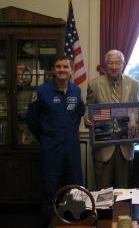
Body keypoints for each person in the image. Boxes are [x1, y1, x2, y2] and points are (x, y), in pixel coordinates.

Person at [26, 55, 85, 228]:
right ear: (53, 69)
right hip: (51, 146)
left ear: (71, 70)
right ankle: (48, 222)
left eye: (65, 67)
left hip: (71, 145)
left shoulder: (76, 90)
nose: (61, 70)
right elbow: (31, 120)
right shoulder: (42, 91)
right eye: (58, 66)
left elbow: (79, 112)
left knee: (74, 183)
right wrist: (45, 137)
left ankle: (76, 219)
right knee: (50, 185)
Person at [86, 49, 139, 189]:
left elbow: (136, 110)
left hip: (125, 149)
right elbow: (88, 108)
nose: (114, 67)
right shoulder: (94, 84)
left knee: (124, 193)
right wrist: (87, 118)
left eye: (117, 63)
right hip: (103, 148)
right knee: (103, 194)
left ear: (123, 64)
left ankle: (122, 212)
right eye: (110, 63)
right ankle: (104, 213)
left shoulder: (133, 84)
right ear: (105, 64)